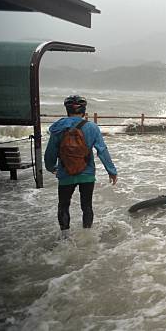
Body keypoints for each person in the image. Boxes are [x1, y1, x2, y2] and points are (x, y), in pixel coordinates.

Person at [45, 95, 117, 238]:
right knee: (87, 206)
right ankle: (87, 236)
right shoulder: (92, 127)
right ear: (84, 110)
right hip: (87, 174)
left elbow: (50, 152)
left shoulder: (58, 127)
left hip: (65, 173)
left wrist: (51, 167)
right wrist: (111, 171)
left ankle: (65, 236)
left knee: (64, 205)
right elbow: (102, 150)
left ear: (67, 110)